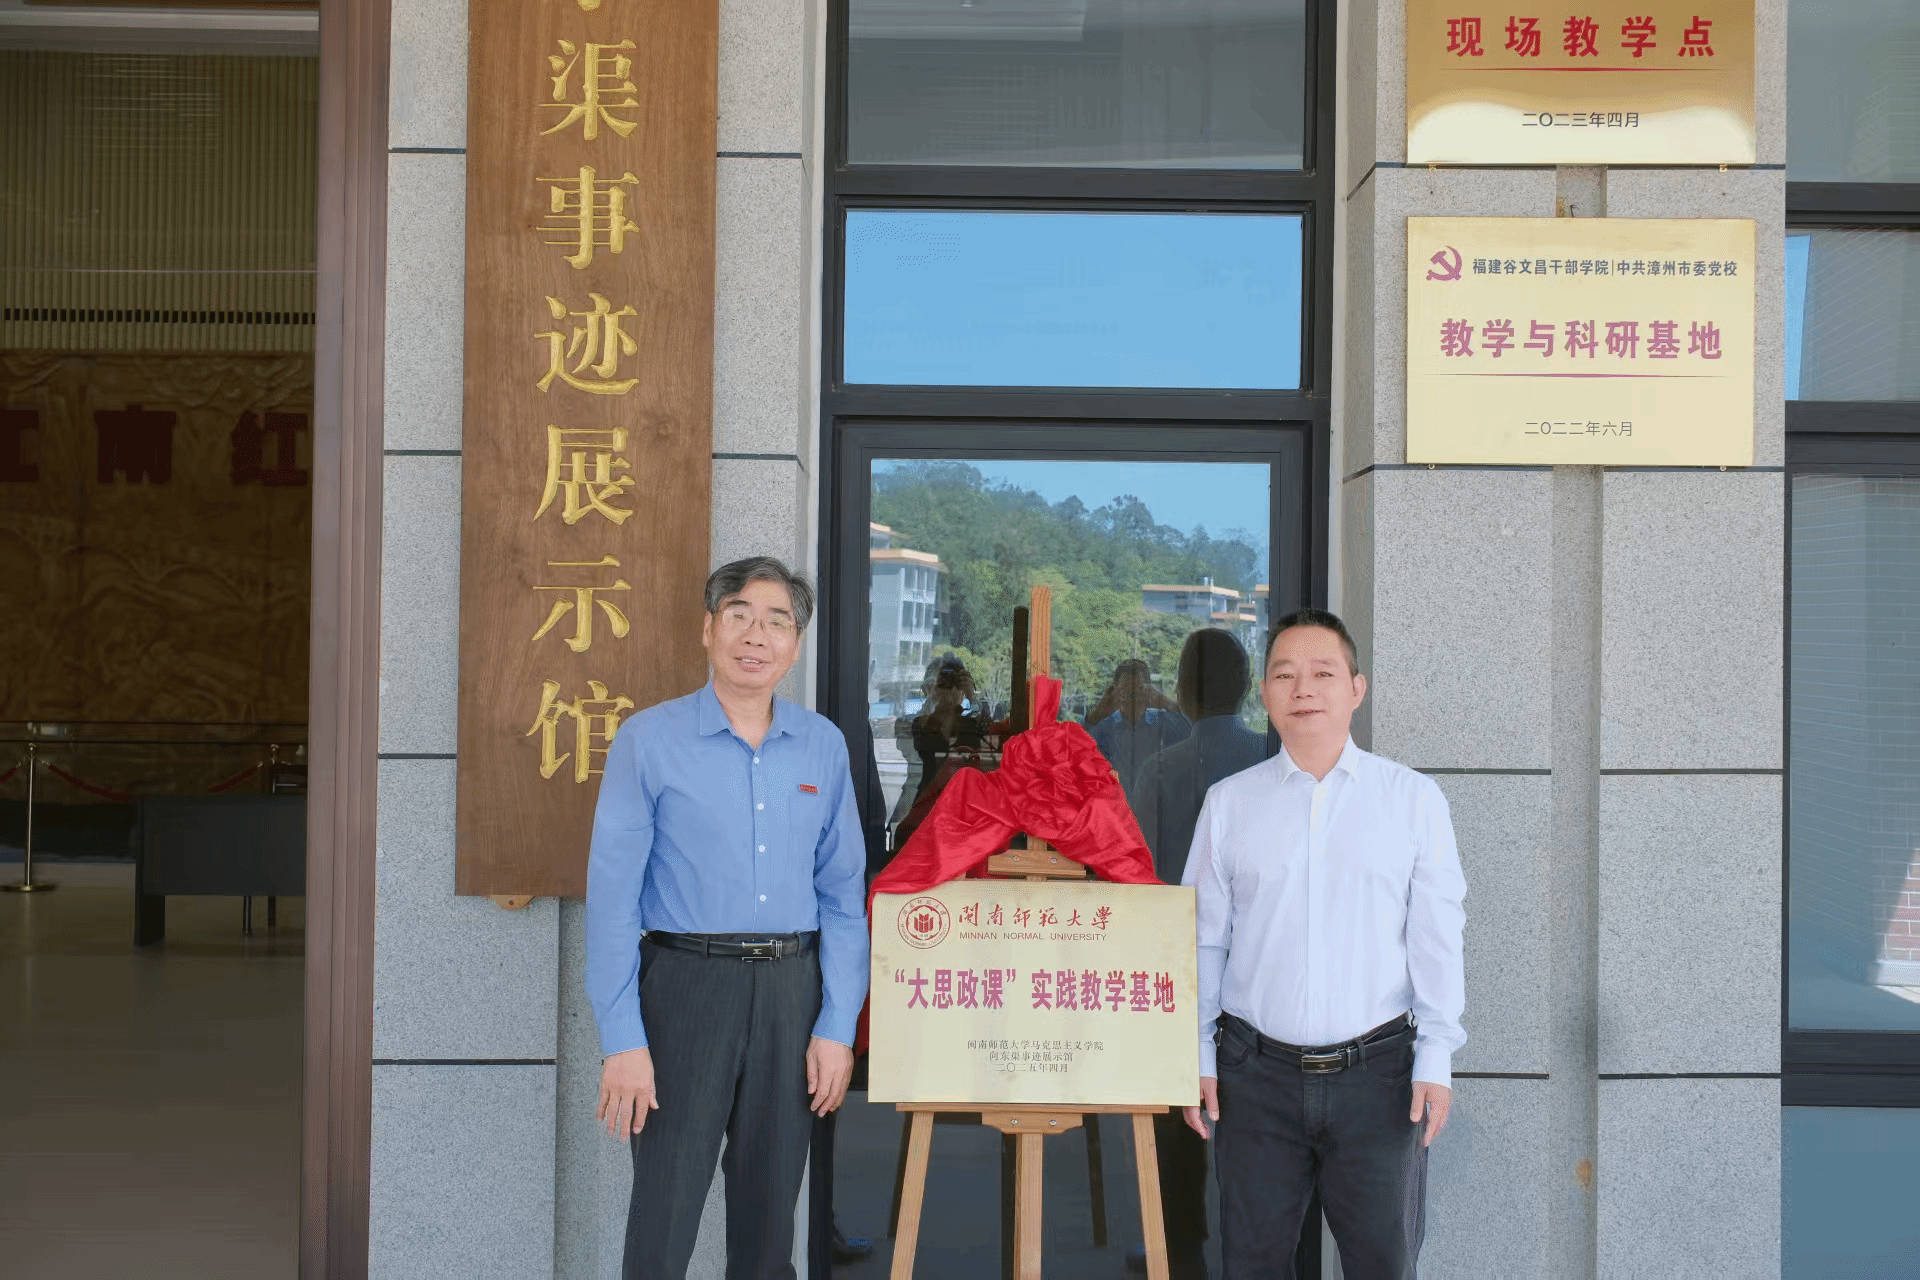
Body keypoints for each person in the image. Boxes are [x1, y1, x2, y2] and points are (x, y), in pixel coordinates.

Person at [586, 556, 869, 1280]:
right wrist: (623, 1039)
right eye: (739, 616)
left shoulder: (822, 746)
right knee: (664, 1213)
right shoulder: (649, 739)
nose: (756, 636)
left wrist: (837, 1026)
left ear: (795, 645)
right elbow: (612, 899)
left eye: (778, 622)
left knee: (770, 1225)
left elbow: (843, 897)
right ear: (709, 629)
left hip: (791, 993)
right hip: (685, 989)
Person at [1182, 609, 1466, 1280]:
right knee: (1252, 1264)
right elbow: (1203, 939)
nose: (1303, 688)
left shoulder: (1412, 800)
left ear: (1357, 689)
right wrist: (1194, 1051)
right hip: (1254, 1075)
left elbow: (1436, 936)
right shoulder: (1229, 804)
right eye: (1284, 674)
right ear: (1264, 694)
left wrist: (1437, 1054)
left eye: (1323, 673)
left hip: (1381, 1077)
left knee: (1382, 1265)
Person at [1125, 627, 1269, 1278]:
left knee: (1175, 1112)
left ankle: (1178, 1245)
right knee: (1260, 1119)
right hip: (1259, 962)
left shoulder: (1161, 768)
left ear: (1182, 691)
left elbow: (1137, 871)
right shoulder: (1271, 759)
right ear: (1246, 688)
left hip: (1176, 956)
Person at [1084, 657, 1190, 801]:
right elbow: (1076, 750)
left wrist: (1167, 704)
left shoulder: (1163, 722)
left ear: (1149, 690)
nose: (1133, 696)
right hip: (1117, 806)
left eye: (1139, 689)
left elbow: (1193, 734)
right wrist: (1097, 713)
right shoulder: (1105, 727)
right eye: (1127, 690)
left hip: (1155, 806)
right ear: (1115, 691)